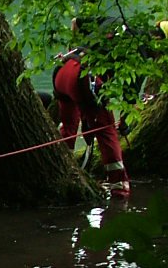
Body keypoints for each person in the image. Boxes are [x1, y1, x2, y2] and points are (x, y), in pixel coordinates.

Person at [51, 15, 131, 197]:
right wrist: (124, 122)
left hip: (63, 70)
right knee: (106, 129)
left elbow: (74, 21)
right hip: (82, 75)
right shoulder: (138, 48)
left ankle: (63, 166)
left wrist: (74, 48)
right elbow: (130, 97)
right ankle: (119, 186)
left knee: (69, 126)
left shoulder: (109, 20)